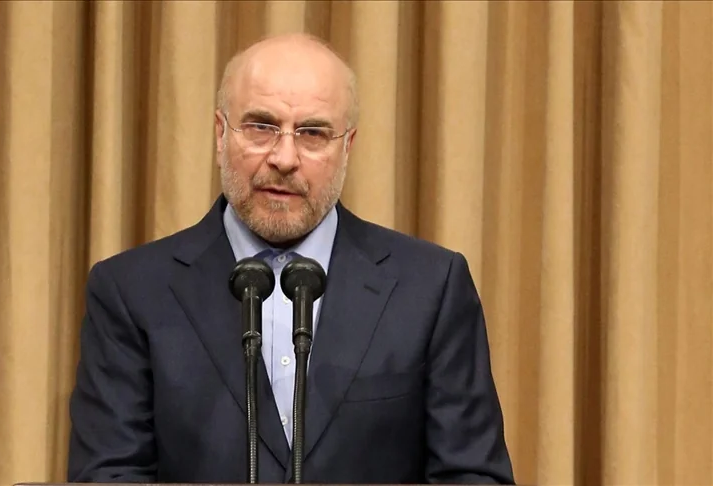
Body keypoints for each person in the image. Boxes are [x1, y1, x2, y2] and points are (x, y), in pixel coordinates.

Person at [67, 32, 514, 484]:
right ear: (221, 134)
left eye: (312, 133)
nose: (284, 158)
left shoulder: (430, 288)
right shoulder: (131, 291)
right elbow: (110, 474)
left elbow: (472, 476)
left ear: (347, 146)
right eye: (261, 127)